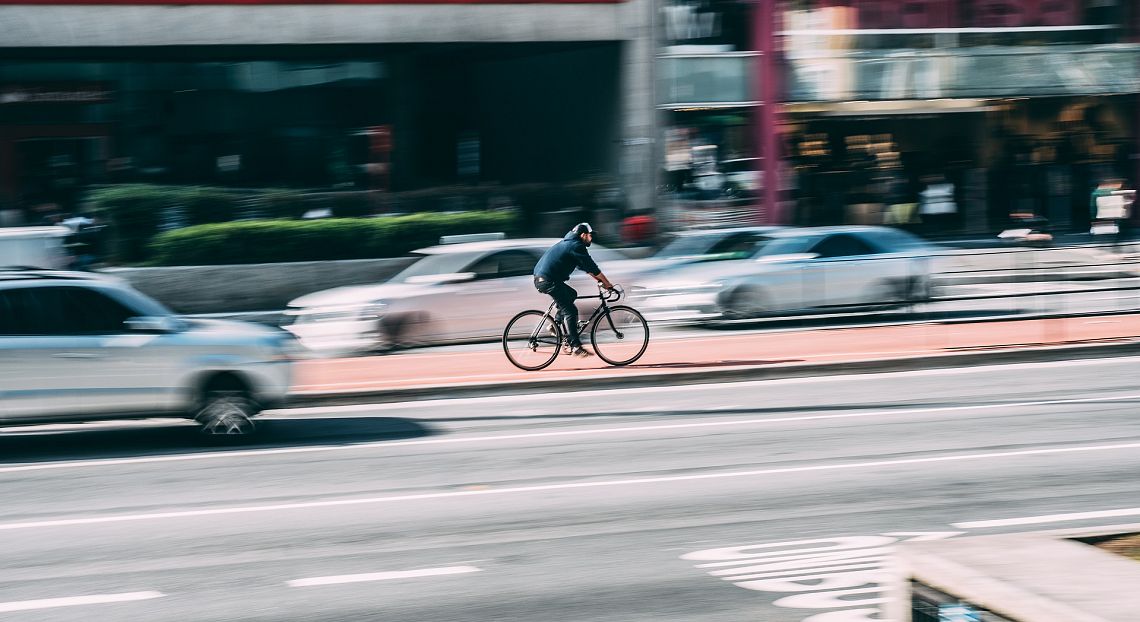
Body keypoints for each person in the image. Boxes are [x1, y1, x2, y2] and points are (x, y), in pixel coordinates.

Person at [533, 223, 616, 358]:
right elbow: (592, 267)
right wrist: (607, 283)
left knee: (572, 294)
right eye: (590, 236)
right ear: (583, 235)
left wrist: (600, 281)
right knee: (571, 310)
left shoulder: (570, 244)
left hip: (545, 279)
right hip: (548, 281)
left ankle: (555, 325)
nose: (591, 239)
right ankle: (576, 346)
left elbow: (586, 268)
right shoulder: (576, 246)